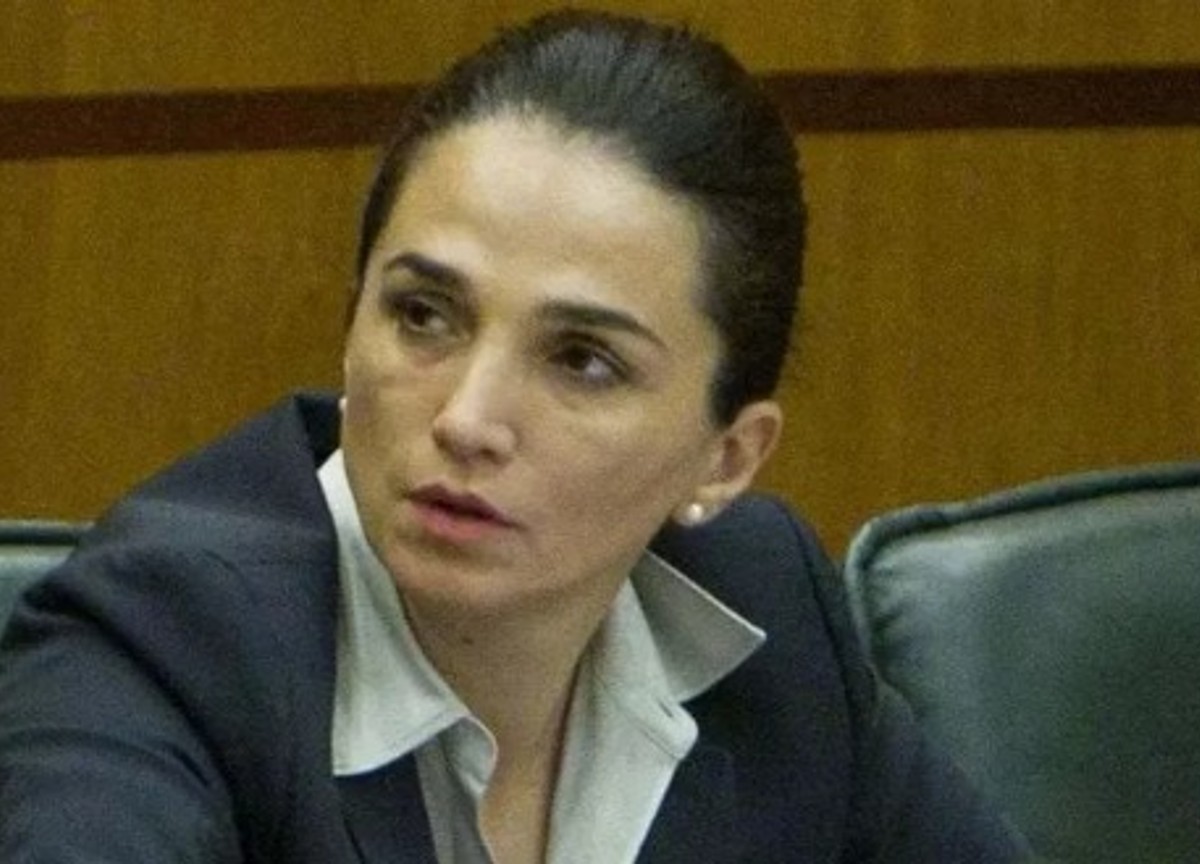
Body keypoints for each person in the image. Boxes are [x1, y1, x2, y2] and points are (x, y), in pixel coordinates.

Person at [0, 9, 1028, 863]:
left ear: (727, 458)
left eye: (583, 360)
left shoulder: (765, 620)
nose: (466, 419)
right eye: (423, 316)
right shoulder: (164, 639)